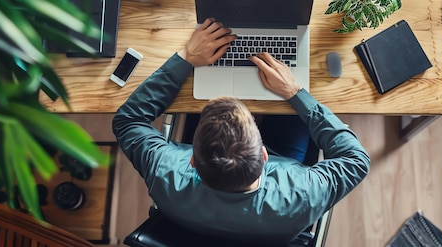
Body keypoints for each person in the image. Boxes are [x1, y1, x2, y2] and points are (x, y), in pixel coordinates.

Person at [113, 18, 370, 245]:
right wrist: (295, 92)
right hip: (276, 212)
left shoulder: (164, 172)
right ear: (265, 154)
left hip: (193, 223)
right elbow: (356, 160)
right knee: (296, 116)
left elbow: (128, 120)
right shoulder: (303, 192)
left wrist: (186, 58)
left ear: (192, 159)